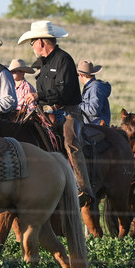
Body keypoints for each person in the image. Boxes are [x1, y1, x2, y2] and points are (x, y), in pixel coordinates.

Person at [18, 20, 94, 202]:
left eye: (32, 42)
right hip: (47, 112)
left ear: (41, 42)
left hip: (69, 112)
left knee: (70, 142)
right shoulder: (43, 63)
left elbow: (65, 92)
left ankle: (82, 188)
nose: (32, 46)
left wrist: (38, 95)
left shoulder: (64, 60)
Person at [77, 60, 111, 126]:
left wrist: (77, 105)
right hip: (93, 127)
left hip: (96, 128)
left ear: (81, 75)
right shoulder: (92, 87)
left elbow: (94, 110)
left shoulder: (95, 88)